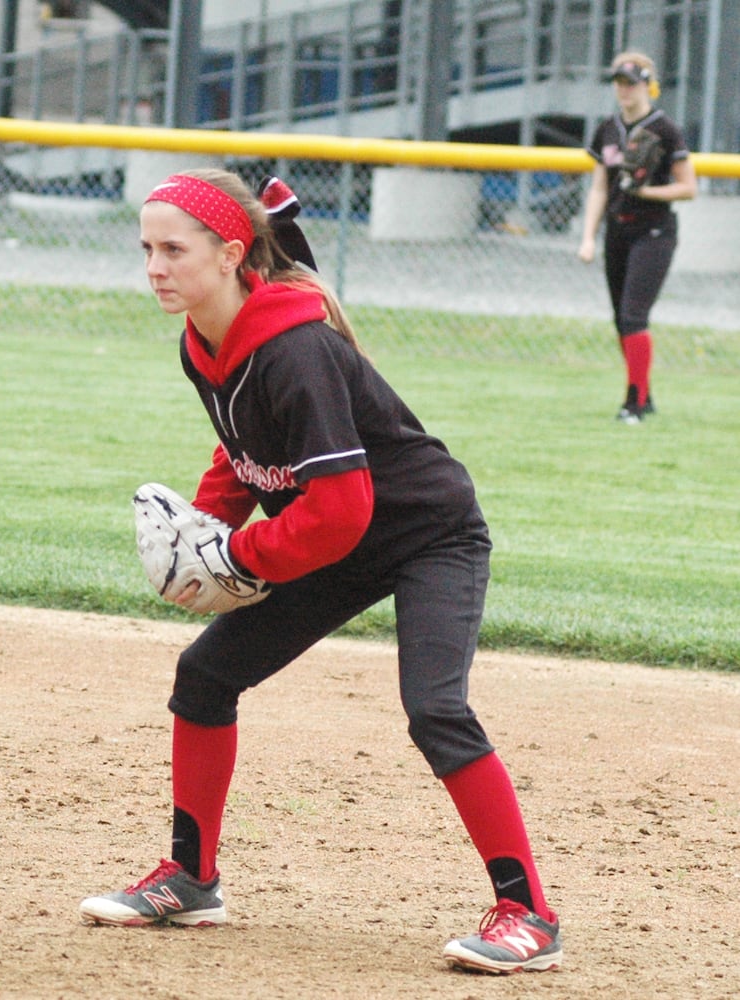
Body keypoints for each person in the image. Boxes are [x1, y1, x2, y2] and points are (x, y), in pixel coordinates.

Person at [79, 169, 562, 975]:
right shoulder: (205, 340)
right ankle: (192, 880)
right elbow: (246, 454)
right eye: (146, 250)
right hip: (336, 540)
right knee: (205, 676)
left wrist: (238, 557)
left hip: (426, 534)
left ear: (232, 253)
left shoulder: (295, 349)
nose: (155, 267)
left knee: (435, 709)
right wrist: (207, 529)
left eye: (174, 248)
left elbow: (341, 511)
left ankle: (529, 914)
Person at [578, 51, 697, 423]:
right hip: (618, 229)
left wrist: (647, 193)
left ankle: (634, 403)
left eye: (631, 82)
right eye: (619, 82)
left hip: (654, 230)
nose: (624, 89)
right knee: (620, 319)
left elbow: (688, 188)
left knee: (633, 315)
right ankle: (643, 393)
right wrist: (587, 236)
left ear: (648, 84)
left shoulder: (664, 128)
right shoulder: (608, 128)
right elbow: (600, 187)